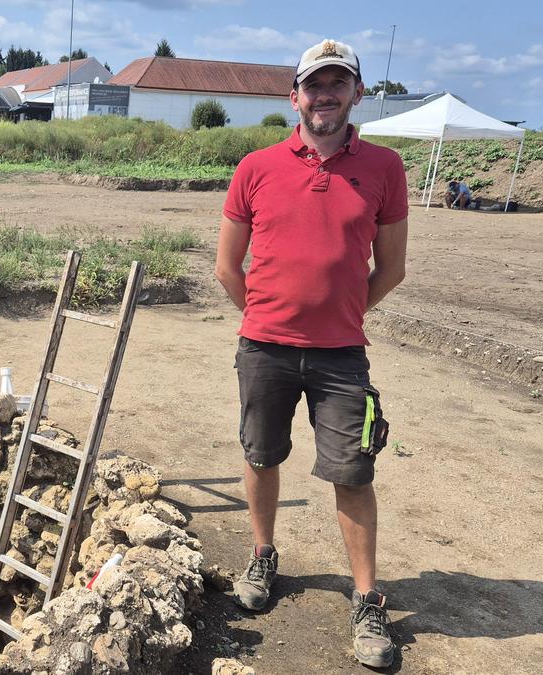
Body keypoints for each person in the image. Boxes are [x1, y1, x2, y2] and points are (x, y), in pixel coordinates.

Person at [214, 38, 408, 669]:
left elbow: (392, 269)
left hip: (342, 357)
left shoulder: (385, 168)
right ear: (294, 96)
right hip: (264, 349)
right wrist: (267, 318)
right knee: (261, 455)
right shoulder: (257, 167)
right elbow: (226, 265)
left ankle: (367, 598)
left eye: (338, 83)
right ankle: (264, 556)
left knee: (353, 474)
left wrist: (341, 316)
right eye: (314, 85)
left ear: (356, 93)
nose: (325, 95)